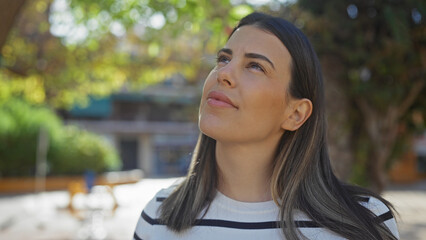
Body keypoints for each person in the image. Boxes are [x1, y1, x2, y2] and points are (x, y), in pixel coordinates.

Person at [133, 12, 399, 240]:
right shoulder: (158, 216)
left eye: (255, 66)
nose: (223, 74)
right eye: (224, 59)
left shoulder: (365, 222)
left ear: (296, 114)